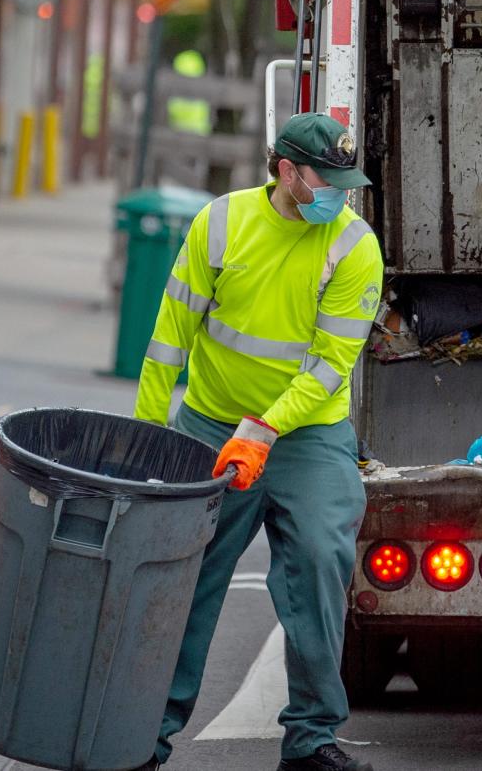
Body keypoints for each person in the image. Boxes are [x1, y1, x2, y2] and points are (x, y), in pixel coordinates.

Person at [131, 112, 383, 771]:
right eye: (326, 180)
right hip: (212, 426)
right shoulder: (220, 224)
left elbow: (331, 365)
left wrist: (265, 430)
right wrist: (151, 433)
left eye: (346, 182)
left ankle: (311, 738)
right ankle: (141, 737)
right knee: (180, 577)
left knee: (323, 558)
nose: (339, 193)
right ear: (286, 170)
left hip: (307, 435)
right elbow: (169, 335)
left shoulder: (355, 248)